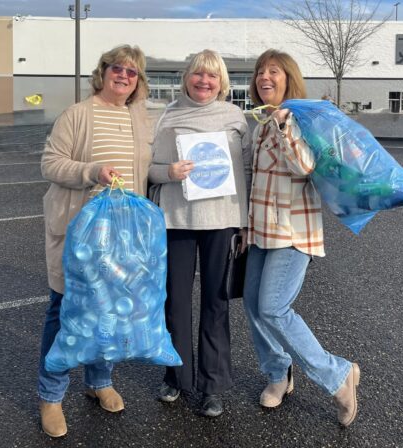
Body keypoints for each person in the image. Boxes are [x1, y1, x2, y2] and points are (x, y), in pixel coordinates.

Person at [38, 44, 153, 437]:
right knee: (64, 313)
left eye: (132, 72)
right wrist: (92, 171)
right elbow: (50, 163)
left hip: (121, 236)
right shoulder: (77, 114)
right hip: (79, 233)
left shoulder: (140, 119)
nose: (123, 75)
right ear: (103, 72)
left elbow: (146, 170)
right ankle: (51, 396)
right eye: (117, 68)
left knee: (109, 312)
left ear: (138, 81)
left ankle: (99, 381)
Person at [243, 49, 360, 427]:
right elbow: (255, 180)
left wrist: (284, 125)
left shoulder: (299, 118)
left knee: (273, 308)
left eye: (273, 71)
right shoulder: (261, 123)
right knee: (253, 305)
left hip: (294, 231)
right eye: (260, 72)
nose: (264, 77)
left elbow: (304, 166)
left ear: (288, 78)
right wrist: (245, 228)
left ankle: (338, 375)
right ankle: (279, 374)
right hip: (261, 232)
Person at [148, 49, 252, 417]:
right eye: (198, 74)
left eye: (212, 76)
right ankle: (176, 376)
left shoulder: (235, 117)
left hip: (222, 221)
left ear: (222, 82)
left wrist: (245, 221)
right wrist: (168, 172)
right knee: (175, 303)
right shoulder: (167, 116)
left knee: (216, 304)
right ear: (186, 78)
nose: (204, 81)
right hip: (176, 220)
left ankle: (212, 385)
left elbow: (247, 171)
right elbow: (148, 168)